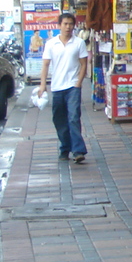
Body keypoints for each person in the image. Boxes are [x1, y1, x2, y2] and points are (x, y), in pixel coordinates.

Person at [37, 12, 89, 164]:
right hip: (57, 87)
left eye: (70, 24)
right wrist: (43, 85)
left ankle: (78, 150)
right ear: (59, 25)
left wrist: (78, 83)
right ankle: (65, 148)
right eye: (65, 24)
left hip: (73, 86)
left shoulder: (78, 43)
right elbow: (45, 65)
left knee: (73, 117)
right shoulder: (51, 44)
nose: (68, 27)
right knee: (59, 119)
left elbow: (84, 63)